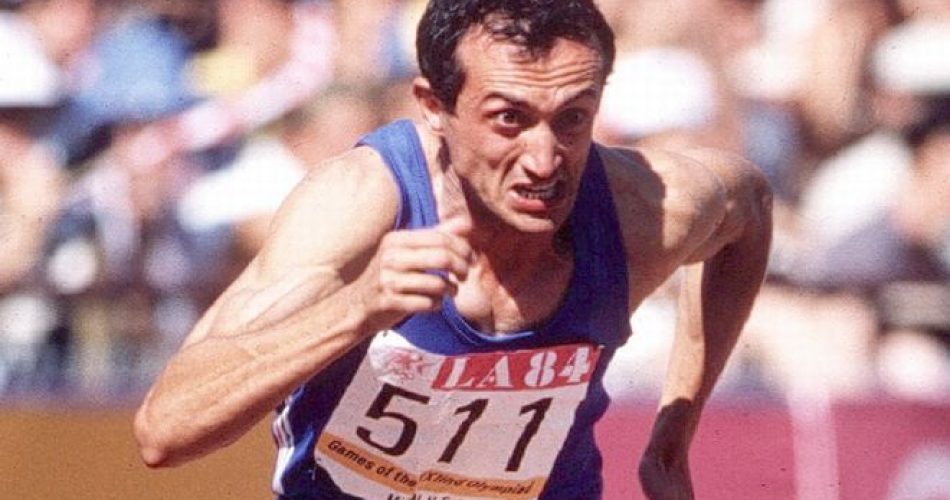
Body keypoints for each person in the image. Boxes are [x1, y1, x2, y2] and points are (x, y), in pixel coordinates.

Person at [134, 1, 772, 498]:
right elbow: (165, 430)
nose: (544, 159)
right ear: (434, 107)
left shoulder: (642, 209)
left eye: (572, 118)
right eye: (509, 119)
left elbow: (751, 206)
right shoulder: (361, 206)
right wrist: (356, 308)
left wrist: (672, 440)